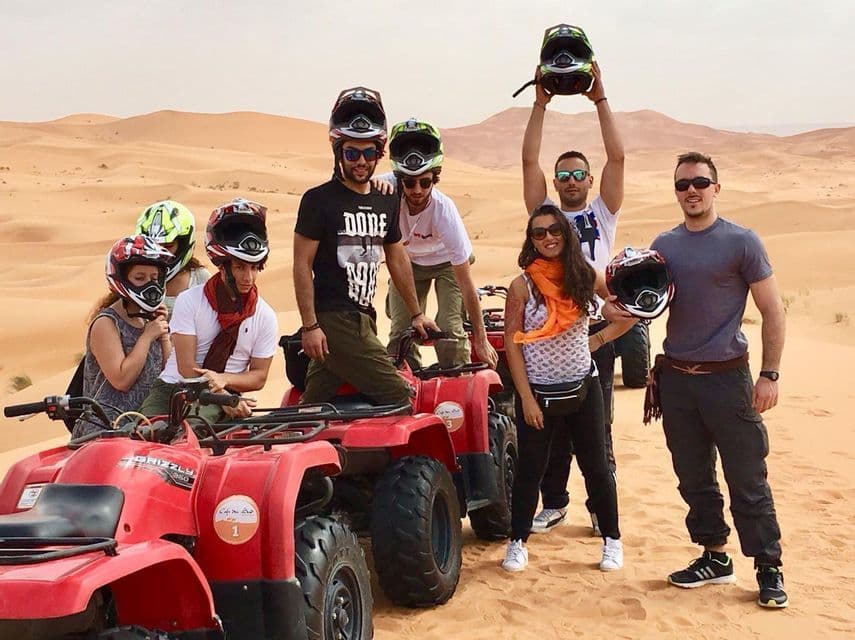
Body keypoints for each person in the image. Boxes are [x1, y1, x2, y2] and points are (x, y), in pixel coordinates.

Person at [645, 152, 788, 608]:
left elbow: (772, 310)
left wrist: (769, 374)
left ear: (716, 188)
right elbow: (640, 301)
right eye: (682, 184)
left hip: (728, 380)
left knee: (747, 477)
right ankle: (715, 556)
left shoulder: (741, 242)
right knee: (693, 478)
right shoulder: (663, 245)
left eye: (700, 182)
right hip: (677, 381)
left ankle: (768, 567)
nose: (691, 191)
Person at [522, 61, 626, 536]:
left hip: (594, 331)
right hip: (551, 332)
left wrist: (600, 99)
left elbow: (618, 159)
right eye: (562, 174)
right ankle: (556, 502)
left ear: (588, 179)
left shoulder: (602, 212)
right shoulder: (546, 216)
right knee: (554, 425)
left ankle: (603, 509)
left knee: (597, 424)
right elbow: (528, 163)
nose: (569, 180)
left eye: (577, 173)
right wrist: (540, 104)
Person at [501, 205, 633, 573]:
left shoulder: (585, 276)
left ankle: (612, 540)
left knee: (597, 468)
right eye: (539, 232)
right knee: (530, 469)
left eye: (554, 230)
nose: (547, 238)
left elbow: (624, 310)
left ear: (566, 233)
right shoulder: (521, 286)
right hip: (539, 394)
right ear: (531, 240)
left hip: (583, 389)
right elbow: (513, 343)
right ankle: (518, 542)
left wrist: (601, 337)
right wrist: (525, 398)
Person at [293, 87, 438, 405]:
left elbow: (397, 256)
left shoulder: (386, 198)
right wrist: (310, 326)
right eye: (351, 153)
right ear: (338, 151)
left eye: (369, 153)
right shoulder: (318, 201)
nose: (361, 161)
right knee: (401, 395)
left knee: (314, 405)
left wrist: (416, 314)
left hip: (365, 319)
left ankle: (286, 447)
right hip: (333, 318)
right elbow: (302, 266)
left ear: (379, 153)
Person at [139, 198, 278, 424]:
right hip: (172, 387)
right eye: (240, 267)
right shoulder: (190, 301)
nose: (248, 277)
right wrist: (222, 394)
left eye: (254, 268)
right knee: (137, 431)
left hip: (221, 395)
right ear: (223, 266)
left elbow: (259, 376)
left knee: (193, 430)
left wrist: (223, 381)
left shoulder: (265, 316)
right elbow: (186, 368)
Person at [376, 118, 498, 371]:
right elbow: (348, 188)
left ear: (435, 179)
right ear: (399, 180)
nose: (417, 190)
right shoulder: (383, 189)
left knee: (450, 327)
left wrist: (482, 340)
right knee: (402, 331)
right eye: (409, 183)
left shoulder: (444, 210)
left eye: (425, 182)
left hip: (447, 265)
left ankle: (458, 383)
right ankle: (406, 387)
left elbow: (466, 284)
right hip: (408, 262)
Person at [72, 235, 173, 438]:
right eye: (139, 278)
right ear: (122, 279)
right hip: (105, 432)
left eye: (154, 278)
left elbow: (168, 373)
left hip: (145, 429)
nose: (149, 285)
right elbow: (121, 379)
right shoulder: (106, 323)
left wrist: (162, 335)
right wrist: (146, 337)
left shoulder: (149, 322)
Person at [134, 199, 211, 317]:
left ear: (183, 244)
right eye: (154, 245)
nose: (160, 252)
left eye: (168, 246)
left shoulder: (200, 279)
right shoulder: (135, 278)